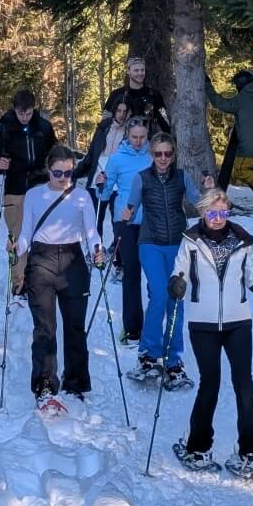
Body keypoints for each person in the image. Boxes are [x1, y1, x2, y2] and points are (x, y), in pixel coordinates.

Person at [167, 188, 253, 475]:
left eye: (223, 213)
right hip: (203, 323)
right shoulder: (191, 241)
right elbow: (179, 273)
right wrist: (176, 286)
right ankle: (198, 447)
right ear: (203, 213)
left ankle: (251, 450)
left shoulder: (242, 242)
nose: (218, 218)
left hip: (237, 321)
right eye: (212, 213)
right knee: (211, 383)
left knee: (244, 383)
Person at [8, 145, 105, 411]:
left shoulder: (82, 196)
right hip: (42, 262)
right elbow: (26, 232)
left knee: (75, 326)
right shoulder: (34, 195)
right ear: (48, 170)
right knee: (45, 328)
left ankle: (75, 382)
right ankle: (45, 384)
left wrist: (98, 249)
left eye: (69, 172)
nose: (63, 178)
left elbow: (91, 233)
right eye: (58, 172)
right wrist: (18, 246)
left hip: (73, 262)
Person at [123, 134, 214, 389]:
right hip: (150, 243)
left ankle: (173, 360)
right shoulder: (141, 178)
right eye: (158, 154)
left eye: (167, 154)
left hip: (177, 245)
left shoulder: (181, 177)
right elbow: (130, 211)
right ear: (151, 154)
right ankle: (148, 355)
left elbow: (200, 205)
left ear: (173, 155)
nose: (163, 159)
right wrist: (127, 214)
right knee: (160, 296)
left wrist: (208, 189)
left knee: (176, 298)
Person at [0, 89, 57, 295]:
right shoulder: (4, 130)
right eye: (20, 113)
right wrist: (0, 164)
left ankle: (43, 279)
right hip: (15, 189)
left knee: (42, 235)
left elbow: (55, 154)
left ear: (34, 109)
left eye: (28, 113)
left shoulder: (43, 128)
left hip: (41, 188)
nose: (24, 117)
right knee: (17, 237)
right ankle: (20, 283)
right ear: (14, 110)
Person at [99, 119, 152, 344]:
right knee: (131, 272)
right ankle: (133, 328)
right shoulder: (117, 159)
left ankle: (153, 324)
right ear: (127, 136)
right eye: (134, 137)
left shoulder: (154, 156)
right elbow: (104, 194)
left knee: (154, 275)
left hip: (151, 222)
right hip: (126, 221)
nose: (139, 141)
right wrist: (102, 184)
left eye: (142, 137)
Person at [205, 70, 253, 212]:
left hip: (250, 148)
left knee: (240, 170)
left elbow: (220, 103)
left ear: (240, 85)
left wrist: (208, 86)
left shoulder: (241, 100)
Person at [74, 97, 129, 235]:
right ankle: (95, 250)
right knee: (95, 218)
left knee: (117, 220)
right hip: (97, 179)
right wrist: (74, 173)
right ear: (114, 111)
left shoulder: (130, 131)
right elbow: (92, 155)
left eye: (125, 111)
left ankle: (117, 252)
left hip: (117, 183)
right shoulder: (103, 128)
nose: (121, 114)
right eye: (119, 110)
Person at [103, 56, 170, 135]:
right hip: (121, 143)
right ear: (128, 71)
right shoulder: (116, 94)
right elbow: (105, 121)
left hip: (146, 142)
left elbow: (164, 120)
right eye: (136, 70)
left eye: (142, 70)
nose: (140, 73)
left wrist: (166, 138)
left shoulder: (154, 95)